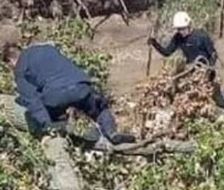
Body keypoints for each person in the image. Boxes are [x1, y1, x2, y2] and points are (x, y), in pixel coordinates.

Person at [3, 42, 135, 144]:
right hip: (81, 86)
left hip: (56, 96)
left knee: (51, 114)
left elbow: (32, 100)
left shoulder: (20, 68)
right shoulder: (48, 48)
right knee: (100, 108)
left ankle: (67, 130)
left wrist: (47, 125)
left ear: (11, 61)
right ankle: (111, 132)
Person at [147, 11, 224, 117]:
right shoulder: (178, 38)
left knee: (214, 96)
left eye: (183, 28)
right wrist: (154, 43)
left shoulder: (201, 36)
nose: (181, 32)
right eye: (179, 29)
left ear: (189, 25)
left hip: (205, 70)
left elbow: (213, 54)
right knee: (187, 96)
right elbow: (167, 52)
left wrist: (209, 69)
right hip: (191, 71)